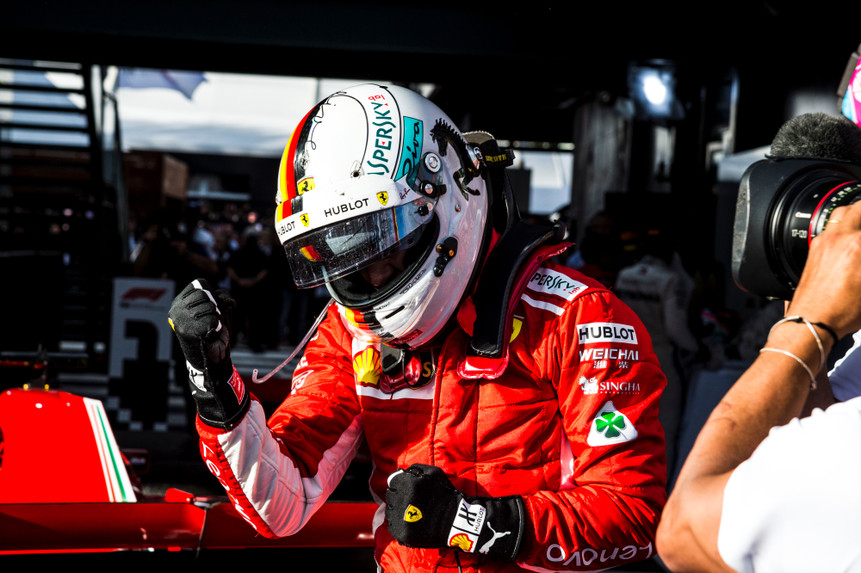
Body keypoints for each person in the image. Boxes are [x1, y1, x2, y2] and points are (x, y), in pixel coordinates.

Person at [168, 83, 668, 572]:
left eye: (386, 240)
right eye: (345, 250)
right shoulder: (350, 332)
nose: (372, 274)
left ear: (451, 199)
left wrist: (474, 523)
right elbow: (281, 506)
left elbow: (637, 516)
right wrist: (216, 391)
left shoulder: (577, 318)